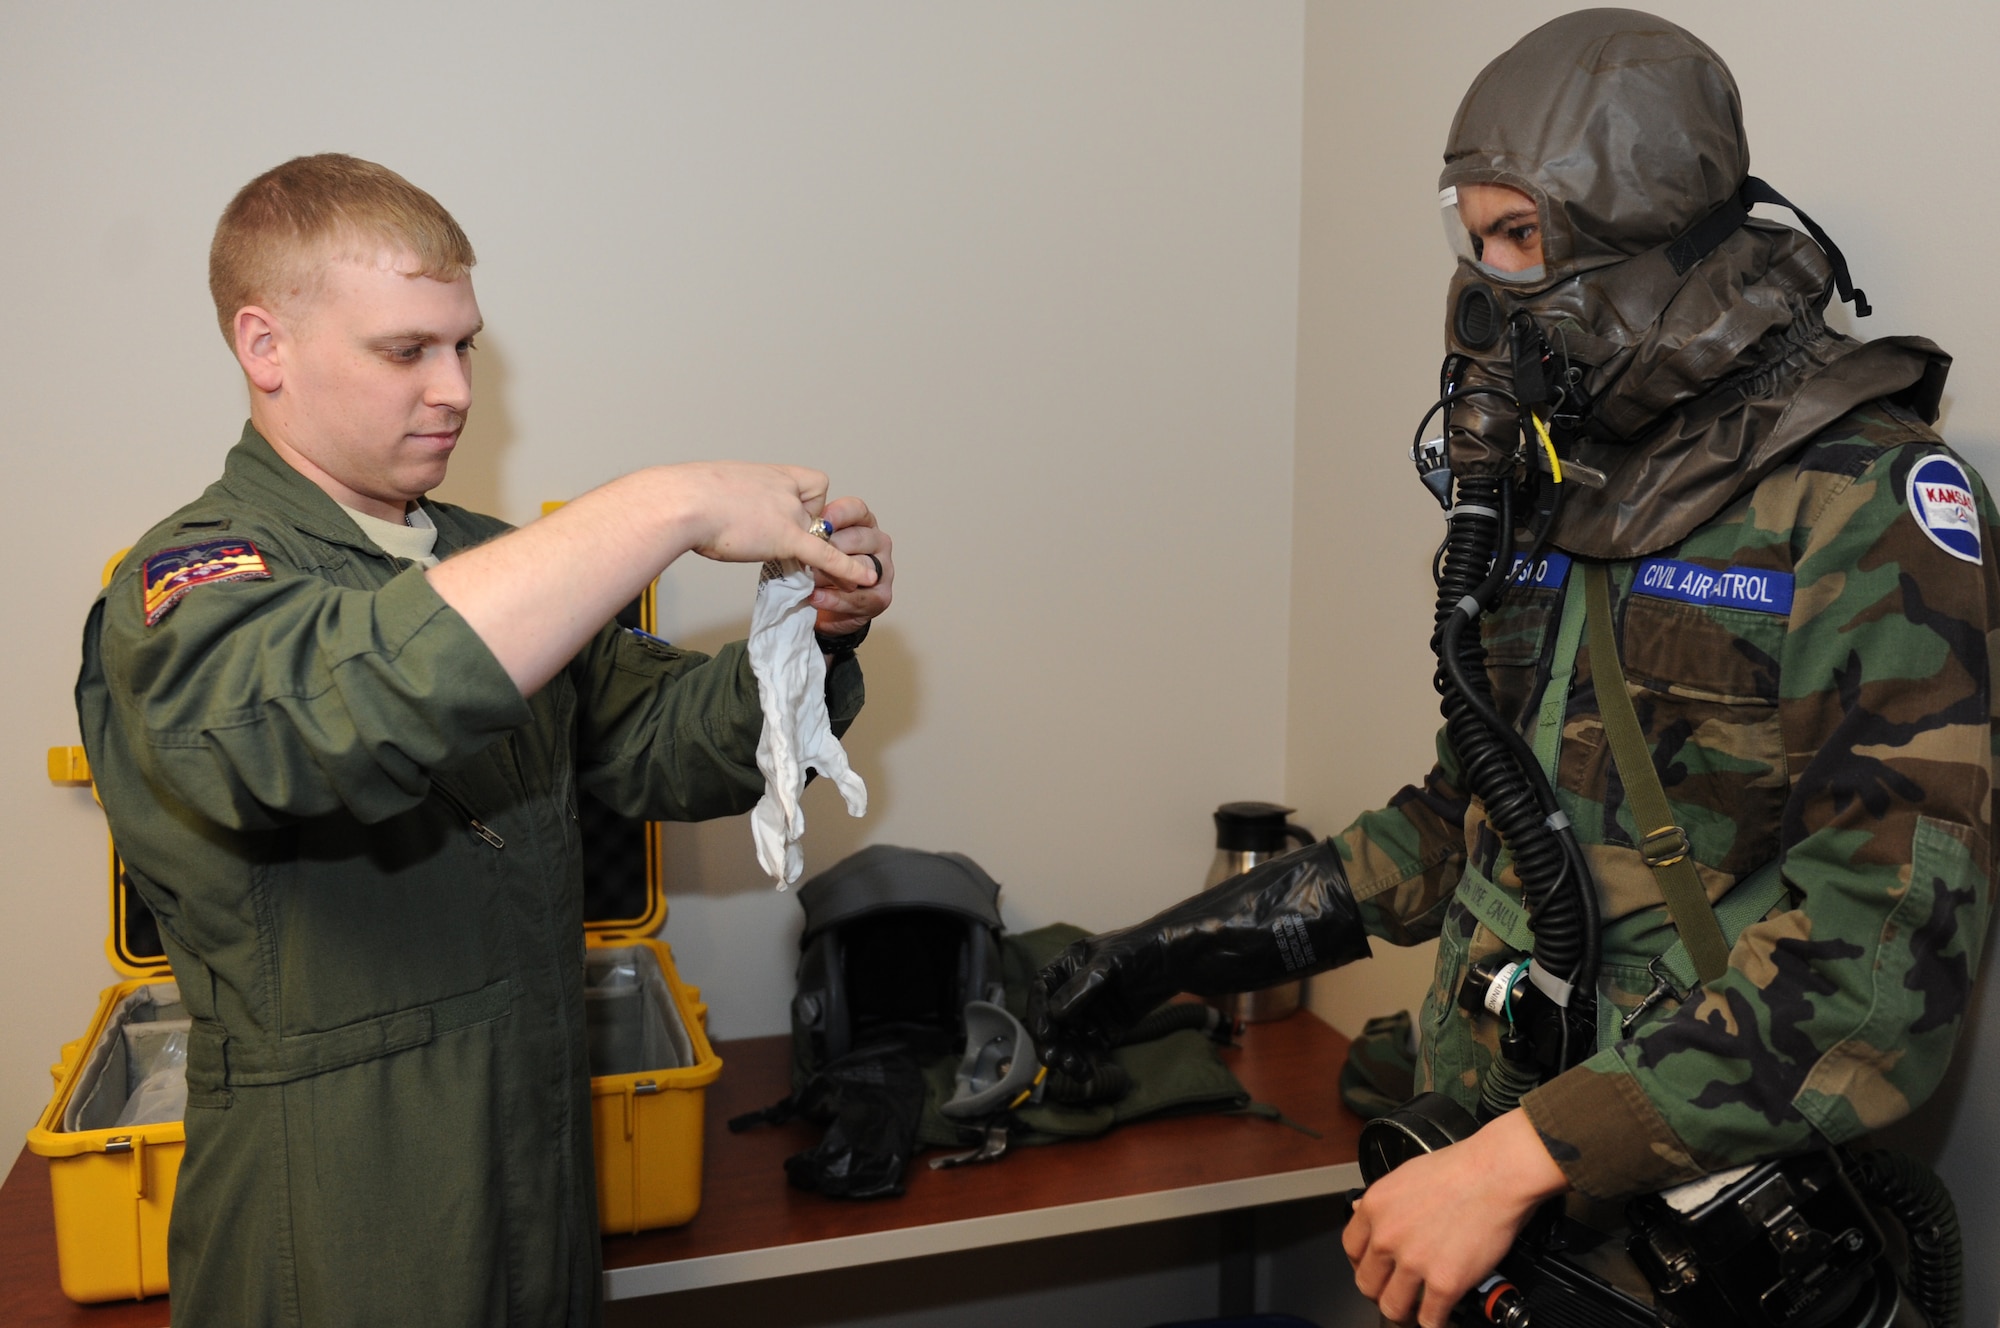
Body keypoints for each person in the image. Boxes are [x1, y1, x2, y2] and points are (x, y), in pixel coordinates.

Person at [1028, 11, 1995, 1328]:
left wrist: (1517, 1160)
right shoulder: (1570, 482)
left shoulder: (1864, 502)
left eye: (1518, 239)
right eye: (1472, 238)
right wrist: (1164, 957)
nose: (1484, 285)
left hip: (1675, 1224)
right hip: (1504, 1206)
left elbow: (1880, 962)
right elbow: (1477, 813)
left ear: (1650, 238)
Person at [75, 153, 893, 1327]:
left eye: (462, 346)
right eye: (405, 351)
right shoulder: (189, 580)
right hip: (342, 1210)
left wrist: (806, 632)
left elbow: (672, 744)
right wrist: (661, 503)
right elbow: (331, 719)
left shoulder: (484, 561)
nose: (454, 387)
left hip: (536, 1168)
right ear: (266, 348)